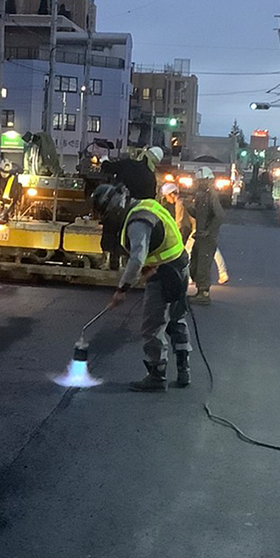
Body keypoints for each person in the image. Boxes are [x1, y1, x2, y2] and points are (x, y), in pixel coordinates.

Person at [95, 183, 191, 392]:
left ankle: (156, 377)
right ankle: (184, 370)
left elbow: (137, 258)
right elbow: (160, 239)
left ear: (114, 208)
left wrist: (122, 289)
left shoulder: (137, 222)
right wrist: (151, 265)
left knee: (152, 327)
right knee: (177, 319)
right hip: (180, 266)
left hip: (165, 274)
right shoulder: (147, 205)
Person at [187, 167, 228, 304]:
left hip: (207, 238)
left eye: (200, 181)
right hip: (200, 236)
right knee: (194, 264)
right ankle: (200, 290)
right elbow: (200, 215)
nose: (197, 183)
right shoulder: (201, 196)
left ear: (206, 180)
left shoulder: (211, 195)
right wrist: (189, 208)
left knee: (203, 265)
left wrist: (209, 231)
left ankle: (203, 294)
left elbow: (220, 216)